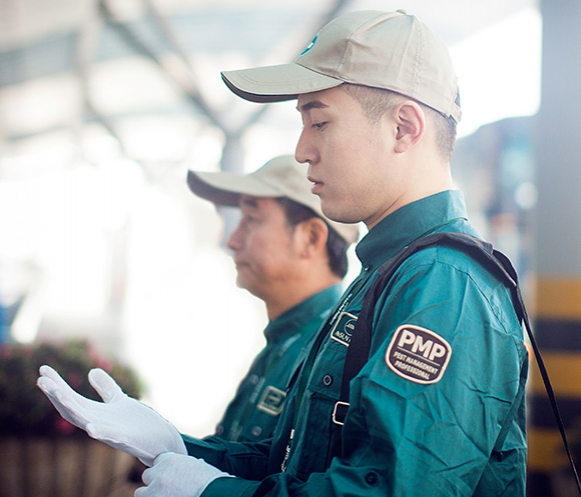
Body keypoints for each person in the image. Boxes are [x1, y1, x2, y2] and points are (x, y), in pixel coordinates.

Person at [37, 10, 529, 497]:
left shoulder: (443, 284)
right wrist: (176, 449)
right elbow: (292, 466)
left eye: (319, 122)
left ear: (403, 128)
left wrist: (215, 493)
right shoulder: (394, 274)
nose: (301, 150)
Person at [187, 154, 359, 441]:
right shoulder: (287, 340)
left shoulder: (333, 357)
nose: (233, 240)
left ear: (310, 238)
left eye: (251, 220)